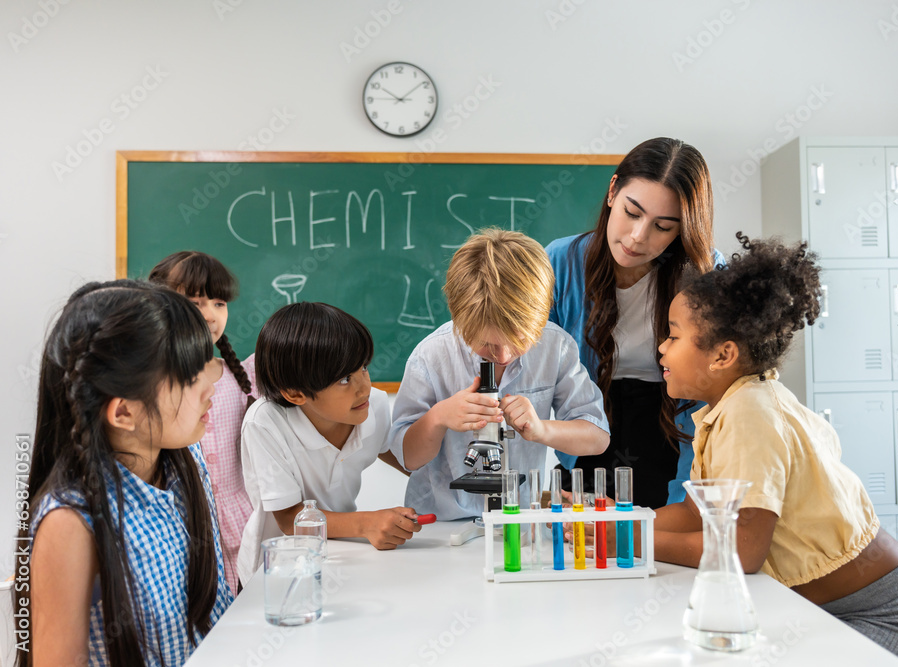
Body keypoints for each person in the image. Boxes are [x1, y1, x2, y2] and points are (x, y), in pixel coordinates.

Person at [652, 233, 898, 666]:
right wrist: (614, 521)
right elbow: (697, 513)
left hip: (893, 617)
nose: (662, 347)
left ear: (723, 355)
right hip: (828, 611)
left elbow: (741, 551)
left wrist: (633, 539)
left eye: (674, 335)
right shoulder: (727, 410)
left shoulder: (750, 414)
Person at [19, 281, 232, 667]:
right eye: (189, 377)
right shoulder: (70, 522)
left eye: (206, 363)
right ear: (123, 413)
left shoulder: (186, 462)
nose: (211, 384)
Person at [546, 137, 724, 509]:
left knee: (660, 553)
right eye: (632, 212)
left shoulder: (707, 273)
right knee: (584, 551)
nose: (638, 237)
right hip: (589, 430)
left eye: (663, 226)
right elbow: (531, 366)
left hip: (672, 434)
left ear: (683, 229)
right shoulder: (560, 262)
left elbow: (722, 385)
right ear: (613, 191)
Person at [389, 228, 610, 520]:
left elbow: (597, 438)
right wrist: (439, 417)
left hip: (516, 522)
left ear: (541, 316)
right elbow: (409, 458)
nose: (504, 356)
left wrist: (541, 430)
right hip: (441, 526)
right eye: (486, 345)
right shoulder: (431, 356)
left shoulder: (555, 346)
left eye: (520, 340)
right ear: (459, 318)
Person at [237, 302, 419, 584]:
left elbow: (403, 458)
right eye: (345, 379)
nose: (364, 387)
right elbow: (289, 519)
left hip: (338, 552)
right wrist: (369, 523)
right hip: (277, 568)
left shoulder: (375, 406)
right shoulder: (265, 424)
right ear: (296, 393)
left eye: (363, 368)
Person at [149, 250, 256, 595]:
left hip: (243, 525)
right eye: (196, 303)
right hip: (182, 528)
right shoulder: (149, 385)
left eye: (219, 303)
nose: (211, 315)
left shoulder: (242, 376)